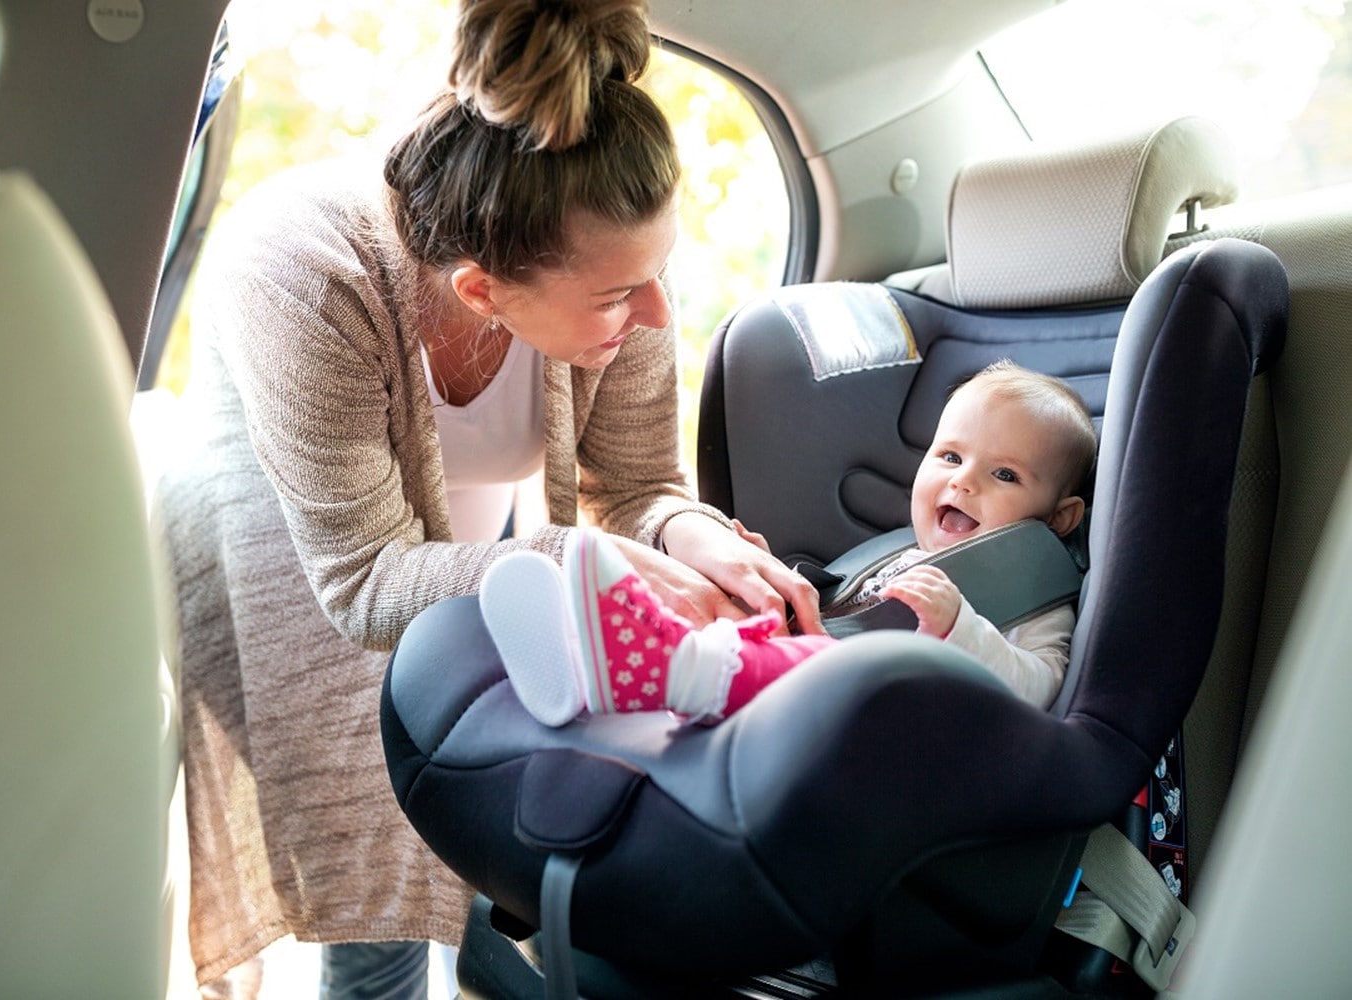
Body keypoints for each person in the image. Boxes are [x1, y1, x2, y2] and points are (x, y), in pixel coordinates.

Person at [158, 0, 823, 996]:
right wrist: (561, 563)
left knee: (468, 832)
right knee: (376, 894)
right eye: (615, 299)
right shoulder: (303, 275)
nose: (649, 315)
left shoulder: (617, 266)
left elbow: (635, 485)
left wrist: (697, 538)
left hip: (455, 541)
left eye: (657, 280)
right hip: (285, 560)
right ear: (481, 292)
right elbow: (364, 584)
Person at [480, 361, 1098, 726]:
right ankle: (581, 653)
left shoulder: (1032, 591)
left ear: (1061, 517)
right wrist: (768, 572)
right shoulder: (905, 556)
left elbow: (1041, 689)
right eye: (951, 456)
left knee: (757, 654)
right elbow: (845, 622)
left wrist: (961, 627)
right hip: (829, 674)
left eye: (1005, 475)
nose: (963, 480)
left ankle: (661, 667)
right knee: (735, 607)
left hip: (881, 721)